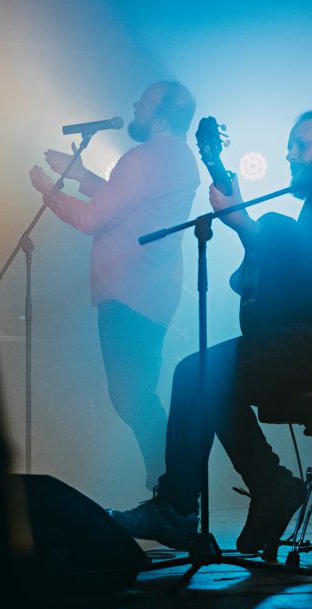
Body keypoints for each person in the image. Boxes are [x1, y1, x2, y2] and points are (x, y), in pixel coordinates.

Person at [109, 110, 312, 553]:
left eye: (302, 145)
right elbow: (302, 271)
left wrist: (245, 225)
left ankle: (180, 507)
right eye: (289, 148)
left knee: (194, 373)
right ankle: (269, 484)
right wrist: (247, 230)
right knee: (211, 380)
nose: (290, 154)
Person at [29, 81, 200, 490]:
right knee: (138, 394)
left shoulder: (141, 158)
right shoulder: (178, 157)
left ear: (159, 118)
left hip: (128, 292)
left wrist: (48, 192)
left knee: (131, 397)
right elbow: (126, 202)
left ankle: (171, 486)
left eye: (145, 101)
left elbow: (92, 220)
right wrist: (80, 176)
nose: (135, 103)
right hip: (152, 292)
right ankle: (168, 485)